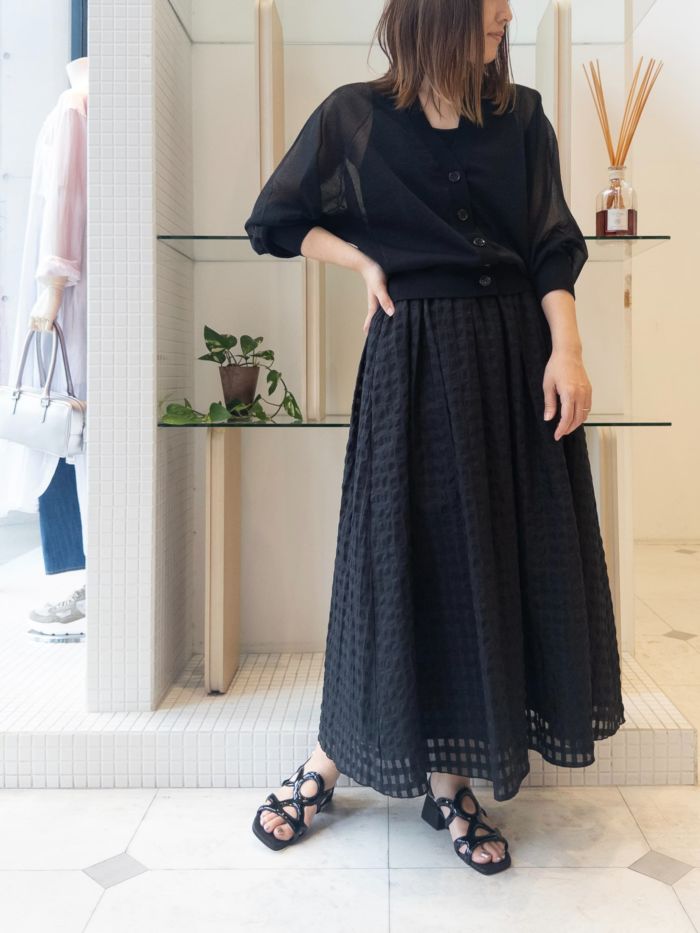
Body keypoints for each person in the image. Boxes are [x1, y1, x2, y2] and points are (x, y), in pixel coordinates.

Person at [243, 0, 625, 875]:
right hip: (412, 359)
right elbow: (275, 219)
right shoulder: (356, 116)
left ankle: (451, 780)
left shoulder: (521, 118)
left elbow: (552, 245)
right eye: (492, 0)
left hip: (512, 362)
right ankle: (328, 758)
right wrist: (363, 260)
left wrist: (567, 350)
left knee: (481, 564)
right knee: (390, 560)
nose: (507, 14)